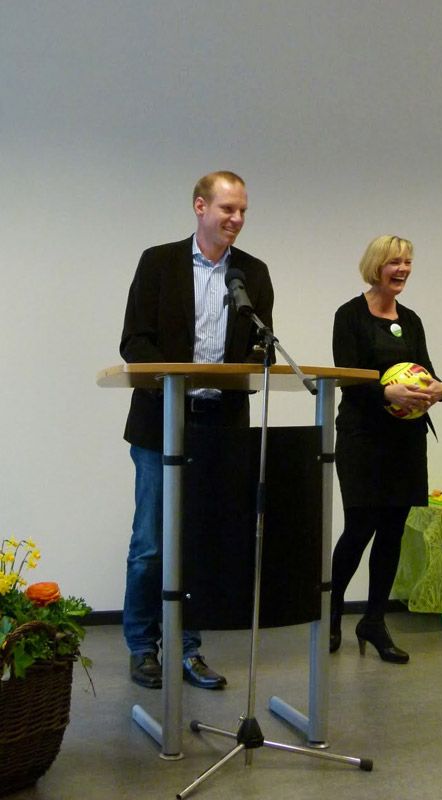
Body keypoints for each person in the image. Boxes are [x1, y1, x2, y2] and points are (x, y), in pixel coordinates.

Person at [120, 171, 274, 689]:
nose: (236, 219)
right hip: (162, 420)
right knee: (151, 543)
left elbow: (260, 346)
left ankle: (189, 649)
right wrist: (175, 383)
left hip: (220, 426)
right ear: (200, 206)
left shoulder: (252, 273)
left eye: (243, 211)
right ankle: (143, 647)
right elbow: (134, 342)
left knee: (201, 541)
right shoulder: (158, 262)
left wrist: (254, 359)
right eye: (228, 209)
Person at [330, 234, 442, 663]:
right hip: (363, 438)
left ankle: (374, 621)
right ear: (376, 265)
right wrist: (387, 392)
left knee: (394, 530)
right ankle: (332, 610)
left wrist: (441, 387)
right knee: (359, 528)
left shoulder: (411, 319)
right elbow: (347, 377)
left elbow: (427, 370)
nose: (402, 270)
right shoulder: (350, 316)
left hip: (406, 441)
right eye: (394, 262)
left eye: (408, 263)